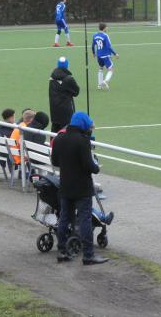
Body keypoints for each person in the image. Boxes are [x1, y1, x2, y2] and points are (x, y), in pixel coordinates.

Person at [51, 111, 108, 266]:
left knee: (63, 218)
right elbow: (88, 165)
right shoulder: (82, 141)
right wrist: (96, 168)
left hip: (65, 184)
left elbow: (55, 160)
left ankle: (62, 251)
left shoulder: (59, 138)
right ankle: (88, 255)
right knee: (85, 219)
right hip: (82, 187)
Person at [48, 56, 80, 133]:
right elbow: (76, 92)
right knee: (67, 132)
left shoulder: (52, 78)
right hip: (66, 112)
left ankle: (53, 144)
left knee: (55, 131)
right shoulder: (69, 79)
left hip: (54, 110)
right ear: (67, 66)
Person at [92, 23, 119, 90]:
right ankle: (105, 81)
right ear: (104, 28)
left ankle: (99, 85)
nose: (107, 28)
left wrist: (93, 53)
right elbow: (109, 47)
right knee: (111, 69)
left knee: (101, 68)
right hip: (106, 56)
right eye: (107, 27)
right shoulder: (105, 36)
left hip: (99, 56)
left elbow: (93, 45)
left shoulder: (95, 35)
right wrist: (115, 54)